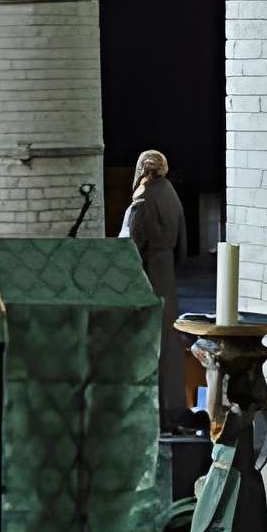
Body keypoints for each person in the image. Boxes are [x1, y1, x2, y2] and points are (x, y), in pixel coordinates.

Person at [120, 149, 188, 408]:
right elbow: (183, 241)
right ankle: (173, 406)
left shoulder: (143, 199)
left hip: (146, 272)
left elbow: (132, 244)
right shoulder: (170, 193)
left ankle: (152, 409)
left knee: (148, 336)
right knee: (168, 334)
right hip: (166, 270)